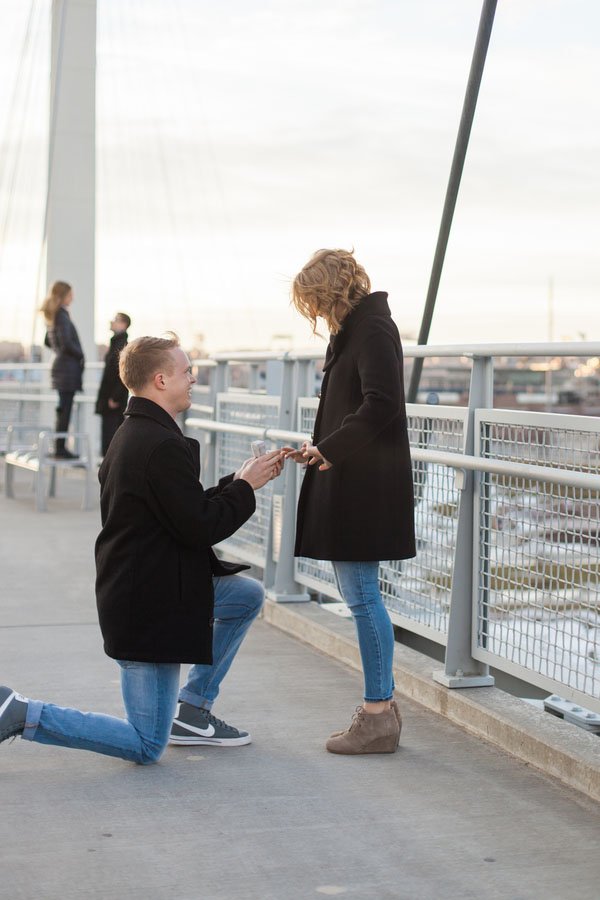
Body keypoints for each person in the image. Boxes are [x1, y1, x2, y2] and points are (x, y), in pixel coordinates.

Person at [0, 334, 284, 763]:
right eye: (187, 371)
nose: (193, 378)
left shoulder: (137, 433)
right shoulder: (160, 444)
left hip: (149, 586)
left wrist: (238, 481)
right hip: (150, 606)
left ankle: (192, 708)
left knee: (245, 595)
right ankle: (21, 713)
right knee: (146, 743)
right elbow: (200, 526)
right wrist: (245, 488)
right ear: (160, 380)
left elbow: (180, 509)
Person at [284, 249, 416, 755]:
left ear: (330, 292)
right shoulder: (356, 330)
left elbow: (383, 402)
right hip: (354, 477)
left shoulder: (373, 329)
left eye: (315, 302)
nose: (314, 314)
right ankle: (380, 711)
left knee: (362, 596)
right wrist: (322, 448)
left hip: (365, 484)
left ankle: (378, 715)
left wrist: (331, 447)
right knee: (360, 595)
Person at [40, 280, 85, 459]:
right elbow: (66, 343)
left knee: (63, 409)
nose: (73, 297)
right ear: (64, 295)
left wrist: (59, 350)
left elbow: (48, 341)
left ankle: (60, 447)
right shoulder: (62, 315)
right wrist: (80, 353)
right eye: (70, 294)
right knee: (65, 409)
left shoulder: (54, 315)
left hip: (61, 368)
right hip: (66, 370)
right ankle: (61, 449)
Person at [95, 312, 131, 455]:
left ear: (123, 324)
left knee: (111, 435)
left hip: (113, 401)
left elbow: (122, 373)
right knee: (109, 435)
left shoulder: (122, 345)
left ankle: (110, 469)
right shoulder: (116, 342)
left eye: (115, 319)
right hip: (110, 398)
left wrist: (115, 397)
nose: (112, 321)